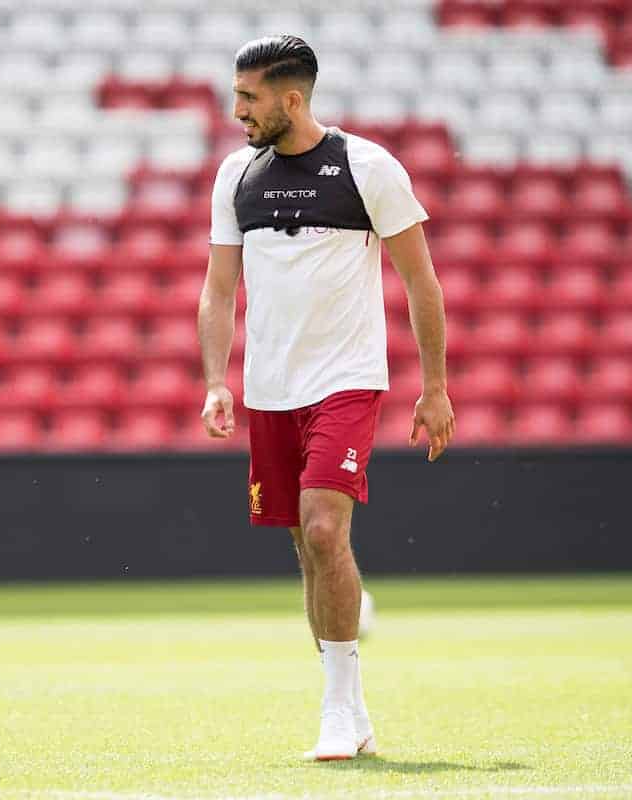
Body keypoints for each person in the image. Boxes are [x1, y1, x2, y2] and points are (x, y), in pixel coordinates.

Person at [197, 34, 455, 761]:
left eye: (248, 97)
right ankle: (353, 707)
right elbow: (219, 289)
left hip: (346, 380)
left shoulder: (367, 167)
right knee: (308, 550)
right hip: (270, 390)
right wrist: (218, 380)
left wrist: (435, 387)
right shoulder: (236, 176)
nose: (236, 109)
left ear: (292, 98)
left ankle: (339, 711)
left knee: (321, 531)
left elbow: (421, 283)